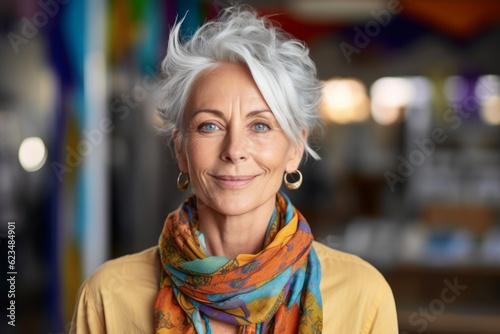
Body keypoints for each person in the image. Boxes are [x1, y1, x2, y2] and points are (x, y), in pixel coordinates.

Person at [70, 5, 398, 334]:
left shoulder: (362, 296)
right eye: (210, 126)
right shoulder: (108, 297)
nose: (234, 151)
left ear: (295, 149)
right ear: (180, 149)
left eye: (260, 126)